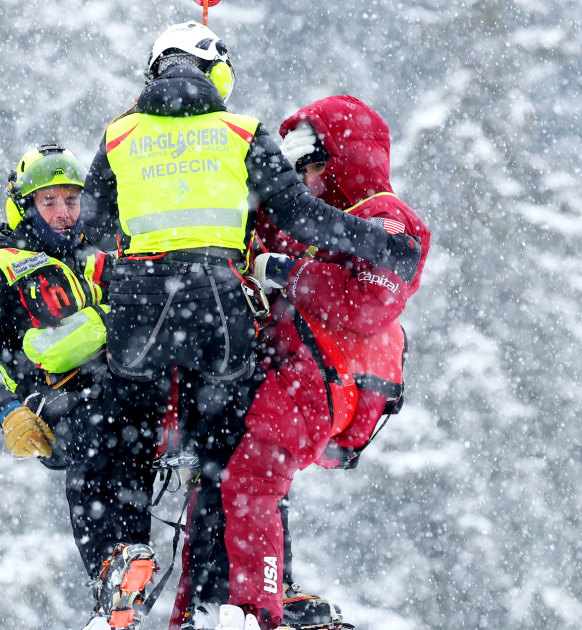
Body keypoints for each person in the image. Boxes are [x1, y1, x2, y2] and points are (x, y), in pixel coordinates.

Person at [81, 22, 424, 630]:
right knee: (227, 461)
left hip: (144, 308)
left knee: (126, 433)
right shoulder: (240, 133)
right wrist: (367, 245)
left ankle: (134, 562)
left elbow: (93, 226)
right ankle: (231, 599)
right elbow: (297, 212)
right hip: (219, 310)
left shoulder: (120, 134)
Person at [212, 95, 432, 630]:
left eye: (315, 166)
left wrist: (287, 273)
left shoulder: (387, 218)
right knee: (241, 476)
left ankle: (258, 608)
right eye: (300, 170)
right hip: (302, 371)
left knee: (252, 481)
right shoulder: (318, 221)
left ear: (346, 160)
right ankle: (268, 593)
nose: (306, 180)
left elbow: (365, 300)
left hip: (326, 376)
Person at [0, 144, 158, 630]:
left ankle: (142, 575)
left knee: (180, 432)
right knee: (97, 430)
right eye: (50, 203)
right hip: (59, 402)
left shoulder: (97, 257)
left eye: (72, 201)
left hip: (128, 394)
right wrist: (7, 411)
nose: (64, 214)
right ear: (23, 206)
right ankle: (109, 572)